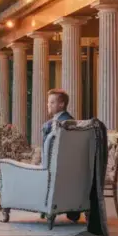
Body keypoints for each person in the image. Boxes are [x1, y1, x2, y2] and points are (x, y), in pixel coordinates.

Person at [41, 89, 82, 223]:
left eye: (52, 102)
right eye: (48, 102)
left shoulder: (63, 124)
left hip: (58, 169)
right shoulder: (63, 121)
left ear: (61, 105)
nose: (48, 105)